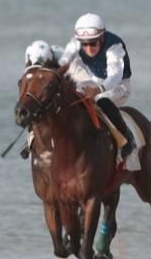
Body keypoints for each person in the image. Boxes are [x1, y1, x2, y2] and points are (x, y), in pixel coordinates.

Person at [52, 13, 138, 162]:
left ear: (102, 37)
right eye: (84, 44)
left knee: (101, 101)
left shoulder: (114, 47)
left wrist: (98, 89)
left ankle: (127, 139)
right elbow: (63, 62)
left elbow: (115, 75)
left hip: (119, 86)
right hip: (95, 80)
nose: (88, 48)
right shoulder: (75, 43)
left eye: (93, 43)